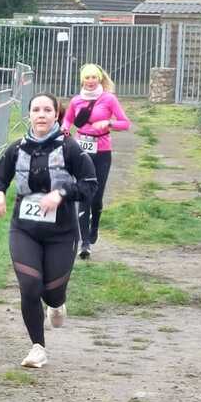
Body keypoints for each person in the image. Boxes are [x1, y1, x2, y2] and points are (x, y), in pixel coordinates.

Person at [0, 91, 97, 368]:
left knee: (51, 292)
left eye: (47, 110)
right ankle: (38, 347)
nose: (41, 115)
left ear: (56, 115)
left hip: (62, 233)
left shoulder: (70, 148)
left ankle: (57, 303)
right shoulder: (17, 149)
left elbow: (89, 185)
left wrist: (61, 193)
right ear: (29, 115)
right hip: (24, 229)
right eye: (36, 110)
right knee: (29, 286)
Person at [61, 63, 130, 259]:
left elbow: (125, 123)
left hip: (102, 151)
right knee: (85, 193)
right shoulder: (76, 101)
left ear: (99, 79)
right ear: (82, 80)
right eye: (87, 77)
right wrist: (65, 130)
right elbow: (68, 120)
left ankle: (95, 225)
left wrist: (108, 122)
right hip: (81, 150)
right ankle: (84, 243)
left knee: (97, 197)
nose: (90, 81)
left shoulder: (109, 99)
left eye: (93, 77)